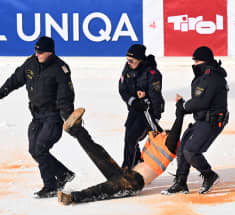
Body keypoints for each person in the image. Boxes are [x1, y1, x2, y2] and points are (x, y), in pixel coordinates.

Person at [57, 96, 184, 205]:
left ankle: (72, 198)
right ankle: (76, 130)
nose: (163, 133)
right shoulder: (158, 138)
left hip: (133, 183)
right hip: (126, 173)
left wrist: (180, 110)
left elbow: (176, 131)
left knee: (102, 189)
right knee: (98, 153)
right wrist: (143, 101)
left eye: (167, 133)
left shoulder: (170, 147)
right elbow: (149, 120)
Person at [0, 36, 76, 198]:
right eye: (36, 51)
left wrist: (69, 117)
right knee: (34, 150)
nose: (37, 54)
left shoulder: (60, 68)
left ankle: (50, 186)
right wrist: (2, 92)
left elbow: (65, 95)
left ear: (50, 52)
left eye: (41, 52)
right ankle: (63, 174)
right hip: (36, 116)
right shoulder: (31, 63)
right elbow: (15, 79)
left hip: (53, 117)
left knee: (41, 148)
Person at [161, 46, 229, 195]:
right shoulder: (204, 76)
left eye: (197, 60)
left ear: (205, 61)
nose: (195, 63)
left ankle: (209, 175)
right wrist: (185, 105)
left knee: (190, 150)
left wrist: (183, 105)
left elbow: (202, 102)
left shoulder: (212, 78)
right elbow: (200, 101)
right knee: (182, 149)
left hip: (212, 122)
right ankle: (180, 183)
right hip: (201, 120)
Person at [119, 44, 165, 169]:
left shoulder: (152, 74)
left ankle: (127, 167)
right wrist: (133, 101)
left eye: (132, 60)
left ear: (140, 59)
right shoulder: (127, 68)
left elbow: (156, 98)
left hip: (148, 112)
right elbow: (122, 89)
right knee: (129, 137)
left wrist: (155, 118)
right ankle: (136, 162)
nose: (128, 63)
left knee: (132, 137)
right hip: (134, 109)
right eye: (127, 60)